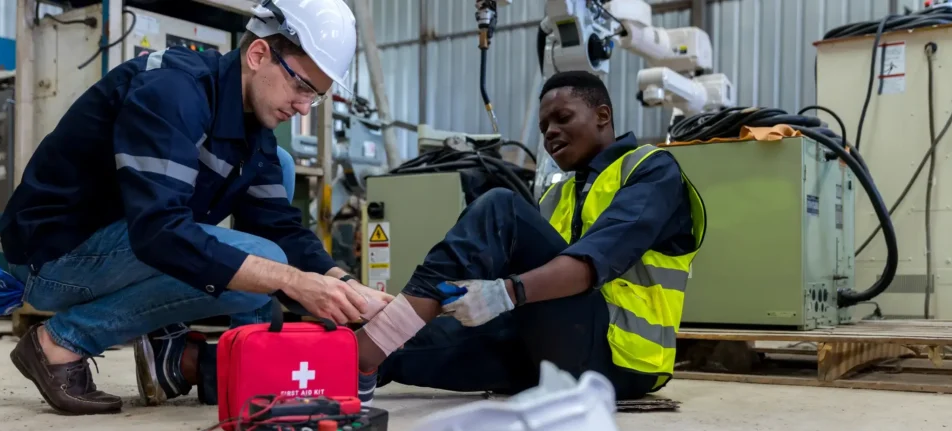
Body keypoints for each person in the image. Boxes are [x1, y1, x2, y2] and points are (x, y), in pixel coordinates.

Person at [144, 70, 707, 405]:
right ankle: (193, 365)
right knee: (391, 352)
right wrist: (459, 301)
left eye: (563, 118)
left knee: (500, 209)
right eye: (544, 128)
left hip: (619, 360)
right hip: (551, 353)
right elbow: (528, 279)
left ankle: (376, 339)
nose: (552, 133)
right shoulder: (563, 190)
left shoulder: (649, 171)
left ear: (604, 116)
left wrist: (506, 294)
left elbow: (589, 266)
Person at [0, 0, 392, 416]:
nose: (301, 107)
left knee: (281, 177)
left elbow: (279, 227)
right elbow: (159, 232)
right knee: (267, 265)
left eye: (314, 97)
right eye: (301, 87)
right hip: (54, 256)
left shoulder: (251, 125)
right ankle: (61, 342)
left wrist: (344, 284)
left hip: (121, 242)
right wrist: (292, 280)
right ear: (258, 54)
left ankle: (241, 364)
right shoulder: (172, 93)